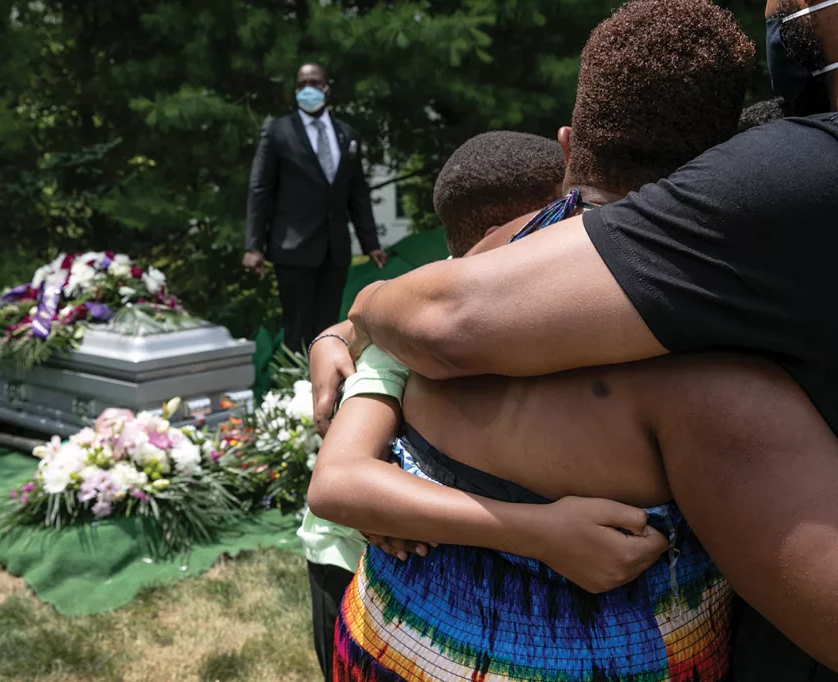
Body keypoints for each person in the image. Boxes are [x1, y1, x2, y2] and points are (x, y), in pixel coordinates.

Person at [315, 0, 838, 676]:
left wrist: (354, 315)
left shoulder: (472, 270)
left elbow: (349, 459)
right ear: (718, 169)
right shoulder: (714, 385)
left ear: (567, 146)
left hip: (382, 643)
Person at [298, 130, 569, 682]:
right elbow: (341, 486)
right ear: (504, 235)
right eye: (561, 216)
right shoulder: (423, 325)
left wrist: (332, 335)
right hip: (350, 564)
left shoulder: (463, 297)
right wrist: (545, 529)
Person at [244, 63, 387, 352]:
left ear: (326, 87)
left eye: (315, 82)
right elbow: (260, 189)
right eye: (302, 84)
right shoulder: (277, 130)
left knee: (329, 328)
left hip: (335, 249)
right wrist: (253, 245)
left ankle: (327, 389)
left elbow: (357, 193)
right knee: (296, 327)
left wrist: (370, 242)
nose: (308, 88)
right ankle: (292, 392)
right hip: (293, 247)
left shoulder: (347, 135)